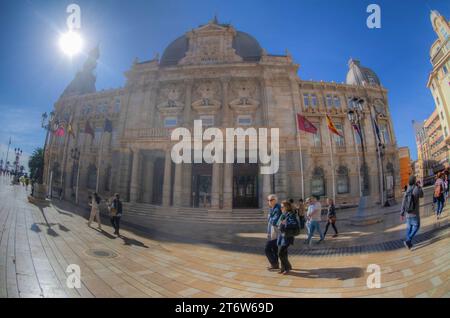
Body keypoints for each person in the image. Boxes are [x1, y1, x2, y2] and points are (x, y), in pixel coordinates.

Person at [401, 175, 424, 249]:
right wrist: (419, 186)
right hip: (415, 213)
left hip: (408, 213)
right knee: (417, 226)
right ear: (414, 181)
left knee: (409, 228)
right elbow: (422, 195)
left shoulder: (407, 190)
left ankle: (409, 244)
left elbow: (403, 202)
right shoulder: (416, 188)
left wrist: (402, 213)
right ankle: (408, 240)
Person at [277, 200, 299, 275]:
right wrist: (280, 223)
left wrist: (285, 223)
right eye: (281, 207)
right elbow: (278, 223)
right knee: (284, 253)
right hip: (282, 236)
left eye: (282, 207)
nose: (281, 208)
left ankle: (287, 268)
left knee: (280, 253)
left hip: (287, 236)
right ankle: (284, 268)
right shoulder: (283, 214)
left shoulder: (291, 214)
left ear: (286, 207)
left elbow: (294, 224)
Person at [265, 194, 282, 270]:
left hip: (276, 233)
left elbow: (274, 221)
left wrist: (270, 218)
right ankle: (275, 265)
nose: (269, 201)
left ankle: (274, 263)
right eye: (268, 200)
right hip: (272, 233)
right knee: (274, 249)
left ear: (275, 200)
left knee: (267, 249)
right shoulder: (272, 208)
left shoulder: (277, 208)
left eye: (271, 200)